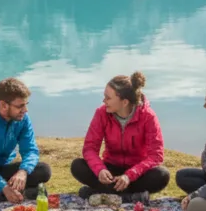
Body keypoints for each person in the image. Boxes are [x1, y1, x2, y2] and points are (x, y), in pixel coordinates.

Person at [70, 71, 170, 201]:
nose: (104, 101)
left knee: (162, 175)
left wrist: (129, 175)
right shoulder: (101, 113)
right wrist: (100, 170)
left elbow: (156, 155)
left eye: (108, 98)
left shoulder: (148, 116)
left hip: (136, 173)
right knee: (77, 166)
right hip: (110, 169)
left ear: (124, 102)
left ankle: (100, 193)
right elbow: (89, 148)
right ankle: (130, 197)